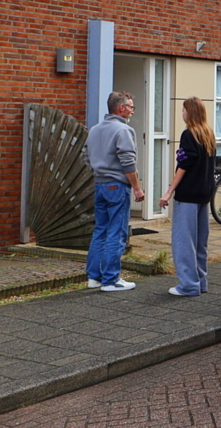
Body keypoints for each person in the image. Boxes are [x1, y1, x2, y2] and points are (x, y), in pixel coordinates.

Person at [85, 92, 145, 292]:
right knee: (117, 232)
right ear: (121, 108)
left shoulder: (94, 130)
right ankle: (111, 280)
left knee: (100, 230)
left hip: (100, 184)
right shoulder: (124, 130)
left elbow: (86, 157)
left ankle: (94, 277)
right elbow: (128, 162)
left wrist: (99, 173)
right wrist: (137, 188)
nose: (132, 111)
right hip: (117, 186)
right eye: (131, 107)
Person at [159, 97, 216, 296]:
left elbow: (184, 165)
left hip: (188, 194)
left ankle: (189, 285)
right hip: (204, 194)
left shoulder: (188, 134)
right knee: (200, 242)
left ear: (189, 112)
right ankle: (201, 282)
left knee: (184, 242)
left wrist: (169, 191)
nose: (182, 113)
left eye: (183, 110)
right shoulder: (208, 134)